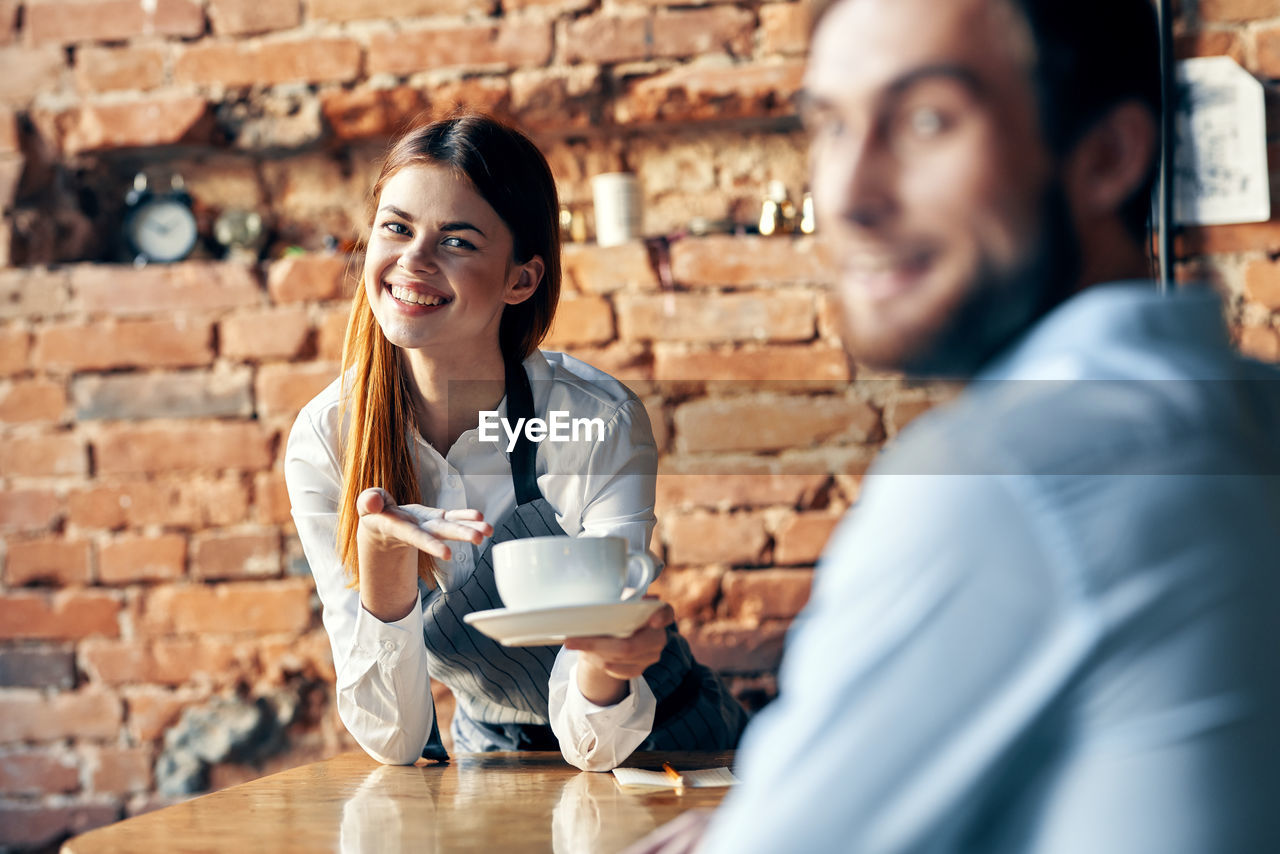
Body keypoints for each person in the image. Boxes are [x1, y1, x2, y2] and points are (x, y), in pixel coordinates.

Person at [629, 0, 1280, 850]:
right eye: (830, 125)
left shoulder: (1000, 479)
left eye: (928, 120)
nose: (851, 195)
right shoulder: (1249, 410)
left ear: (1107, 156)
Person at [286, 114, 747, 772]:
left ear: (520, 280)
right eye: (397, 227)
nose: (412, 261)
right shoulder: (328, 440)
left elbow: (598, 743)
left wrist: (603, 662)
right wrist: (383, 570)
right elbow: (395, 742)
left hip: (666, 743)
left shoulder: (595, 420)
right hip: (496, 763)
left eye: (458, 241)